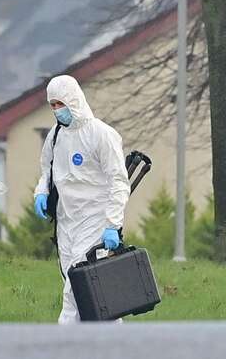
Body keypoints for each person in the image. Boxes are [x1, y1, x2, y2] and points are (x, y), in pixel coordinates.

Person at [33, 75, 130, 324]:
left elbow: (119, 181)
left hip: (95, 220)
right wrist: (41, 192)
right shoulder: (56, 136)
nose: (57, 110)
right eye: (52, 105)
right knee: (90, 289)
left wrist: (112, 224)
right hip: (67, 222)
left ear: (73, 99)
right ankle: (112, 342)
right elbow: (47, 169)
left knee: (77, 282)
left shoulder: (101, 134)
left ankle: (64, 342)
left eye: (60, 104)